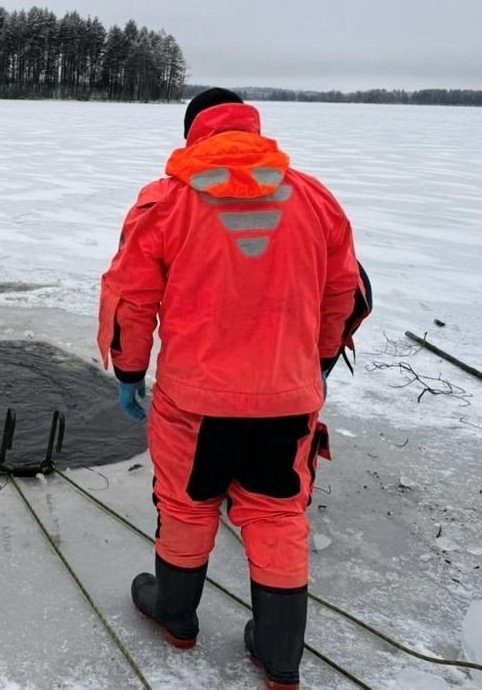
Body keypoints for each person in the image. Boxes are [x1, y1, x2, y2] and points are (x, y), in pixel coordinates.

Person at [97, 88, 371, 690]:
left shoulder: (167, 200)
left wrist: (128, 370)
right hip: (287, 399)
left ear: (195, 133)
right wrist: (318, 362)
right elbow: (342, 293)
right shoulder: (315, 199)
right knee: (277, 514)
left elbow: (130, 297)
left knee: (188, 503)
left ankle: (175, 616)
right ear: (251, 127)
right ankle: (279, 656)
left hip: (195, 403)